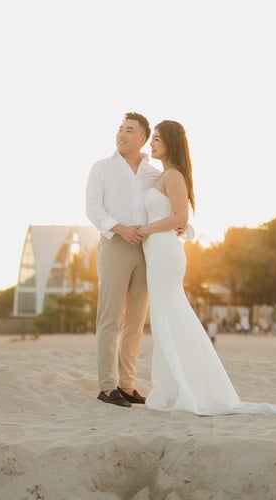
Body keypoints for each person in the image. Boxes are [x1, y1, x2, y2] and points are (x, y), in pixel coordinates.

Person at [135, 120, 276, 418]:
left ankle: (182, 388)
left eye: (156, 139)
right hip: (157, 252)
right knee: (165, 318)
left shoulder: (174, 176)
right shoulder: (164, 175)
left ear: (170, 142)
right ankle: (172, 387)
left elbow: (180, 217)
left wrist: (147, 228)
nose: (151, 144)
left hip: (165, 253)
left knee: (171, 316)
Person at [85, 112, 161, 408]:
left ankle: (127, 385)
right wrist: (120, 229)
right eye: (119, 129)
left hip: (146, 250)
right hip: (115, 245)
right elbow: (92, 208)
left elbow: (163, 208)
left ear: (142, 138)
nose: (121, 134)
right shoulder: (101, 168)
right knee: (110, 318)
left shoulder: (154, 174)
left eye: (129, 130)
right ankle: (107, 387)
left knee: (136, 321)